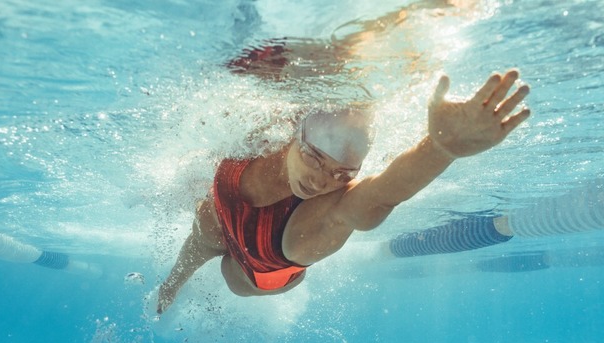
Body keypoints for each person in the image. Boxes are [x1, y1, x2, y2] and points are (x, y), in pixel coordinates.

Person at [156, 69, 531, 314]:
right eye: (315, 159)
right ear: (295, 135)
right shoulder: (265, 132)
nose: (321, 181)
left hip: (261, 270)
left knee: (230, 273)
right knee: (206, 223)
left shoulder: (319, 222)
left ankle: (201, 283)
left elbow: (383, 193)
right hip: (227, 218)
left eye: (342, 173)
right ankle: (169, 287)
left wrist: (442, 148)